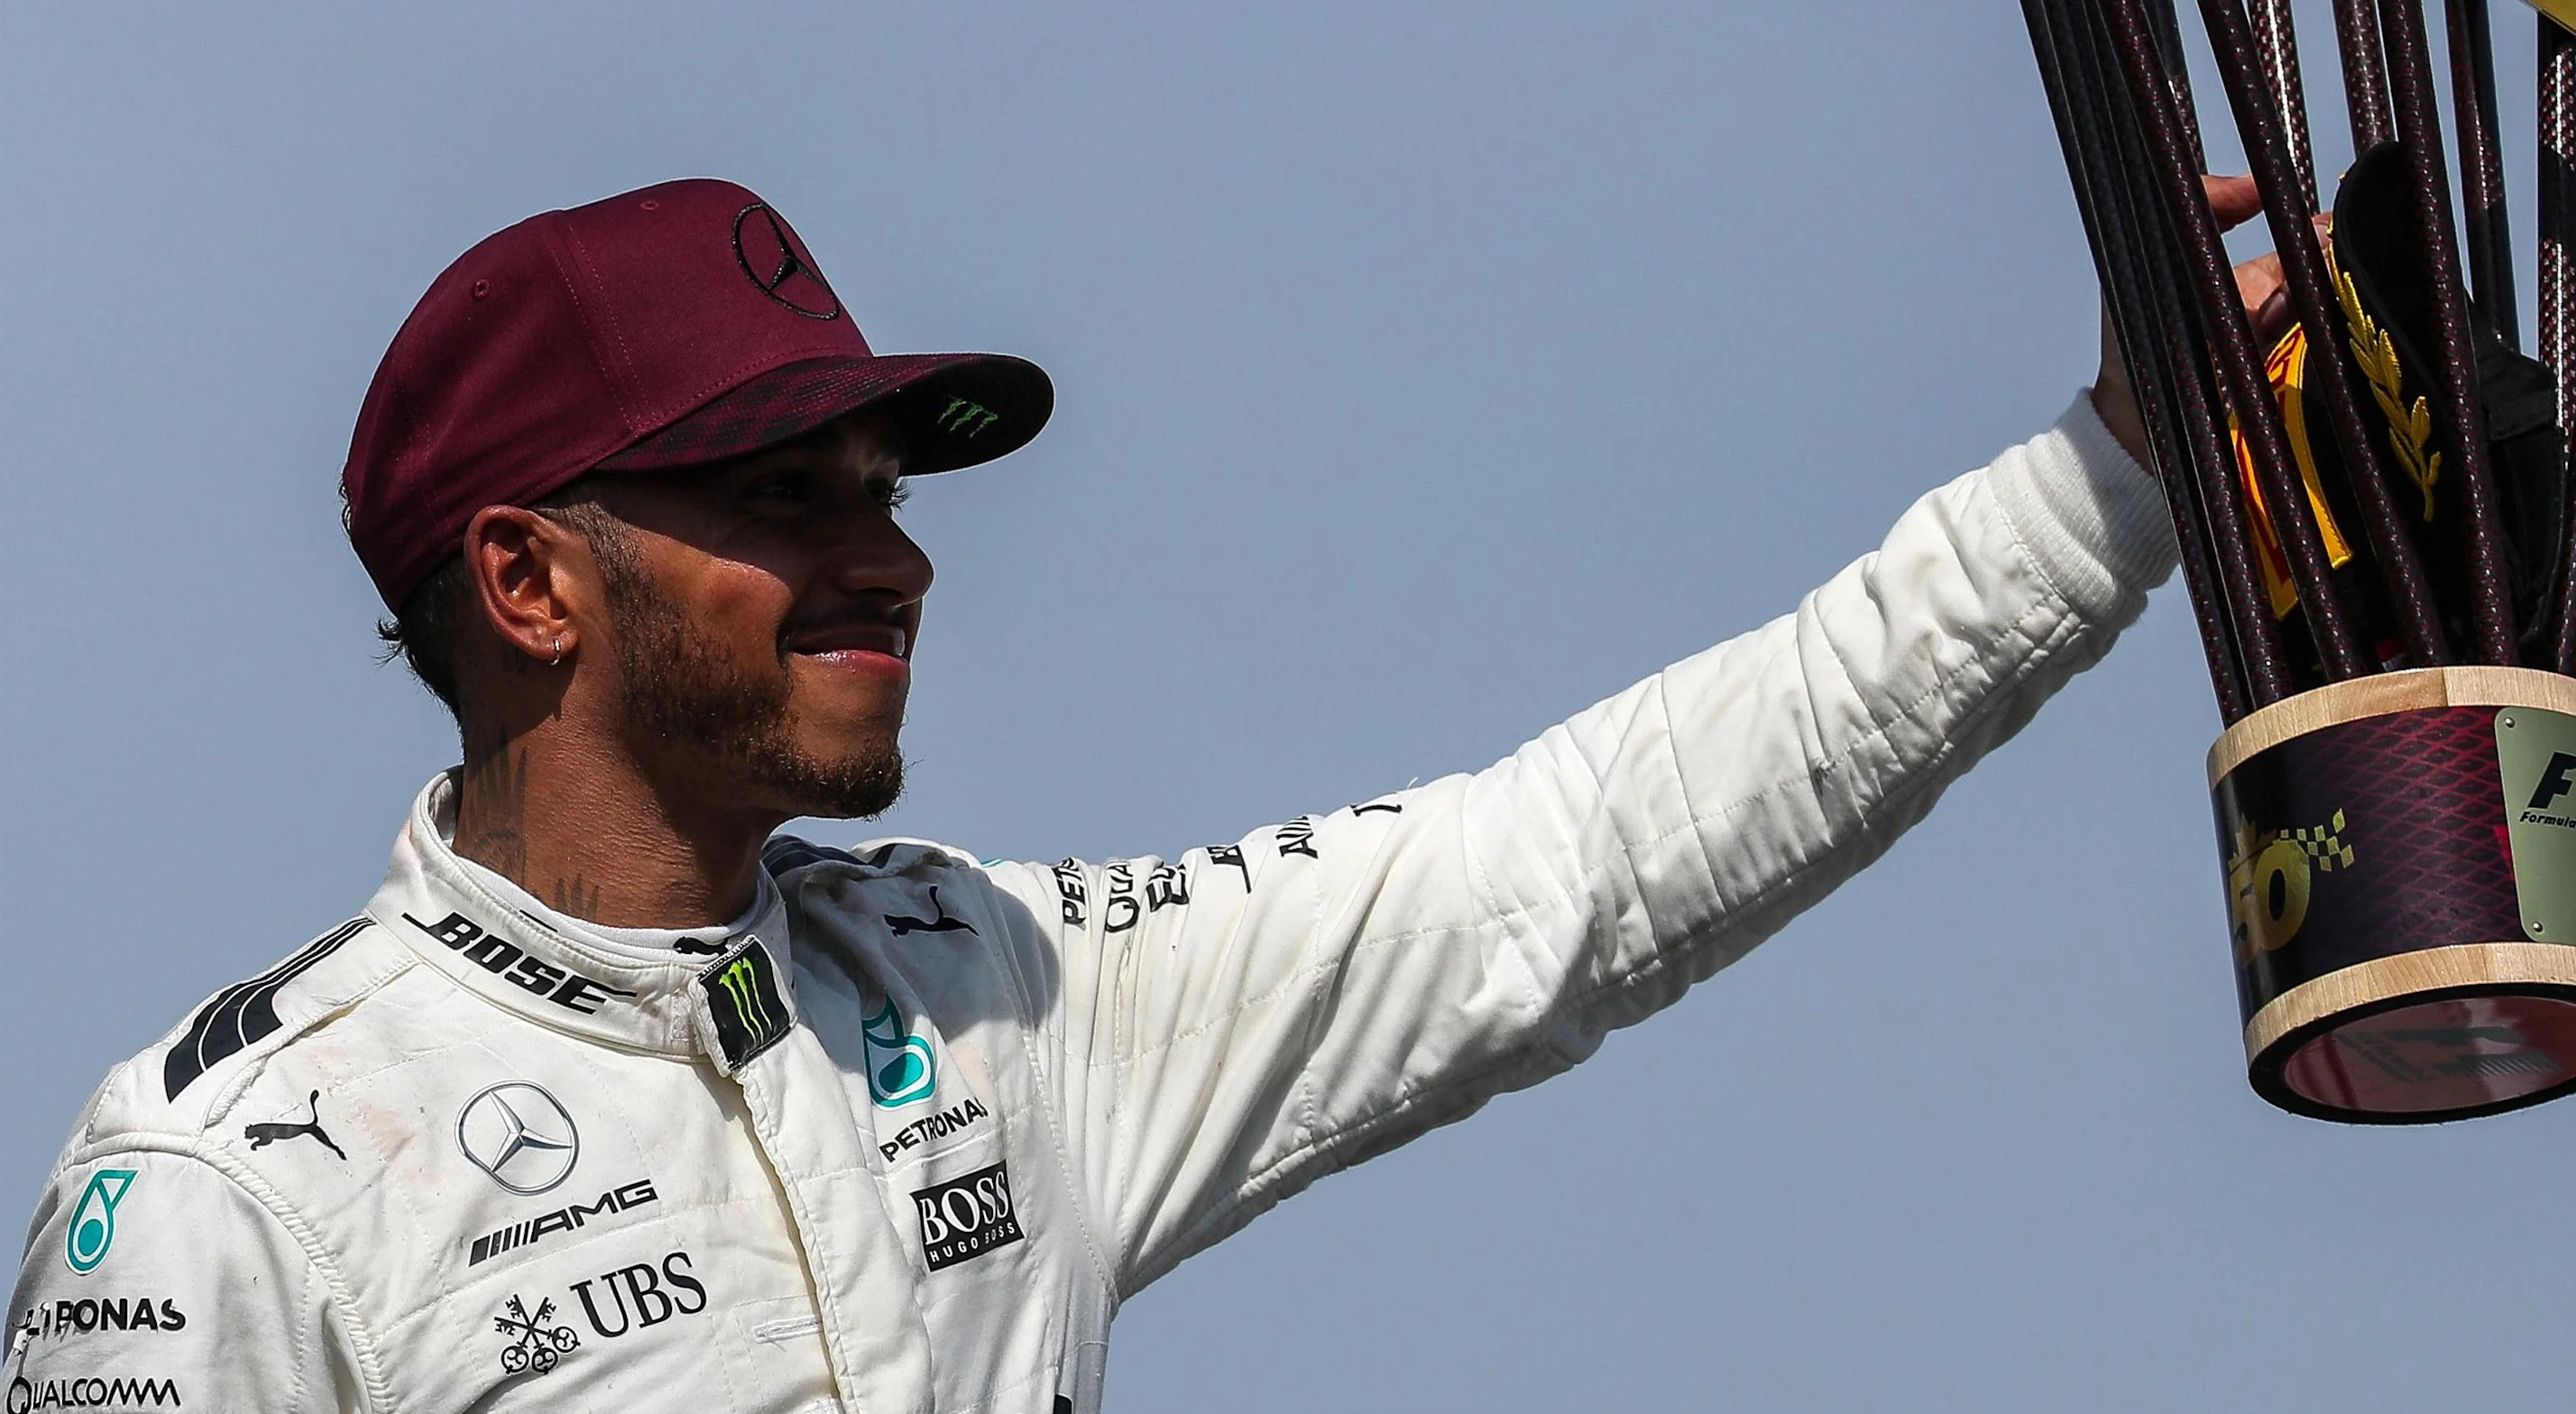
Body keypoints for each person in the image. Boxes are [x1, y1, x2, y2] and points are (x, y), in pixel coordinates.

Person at [7, 173, 2268, 1412]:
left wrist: (2114, 482)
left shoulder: (980, 988)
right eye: (781, 494)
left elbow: (1562, 872)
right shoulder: (223, 1183)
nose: (892, 555)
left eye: (885, 488)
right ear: (526, 581)